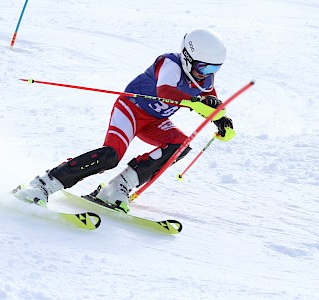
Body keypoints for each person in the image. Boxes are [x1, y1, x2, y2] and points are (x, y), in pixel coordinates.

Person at [14, 28, 235, 213]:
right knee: (111, 156)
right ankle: (41, 185)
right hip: (131, 110)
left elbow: (210, 102)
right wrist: (195, 101)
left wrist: (221, 119)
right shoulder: (170, 63)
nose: (206, 74)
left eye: (214, 68)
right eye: (203, 67)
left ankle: (117, 188)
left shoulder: (205, 79)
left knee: (180, 145)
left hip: (155, 121)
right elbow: (166, 90)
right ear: (187, 57)